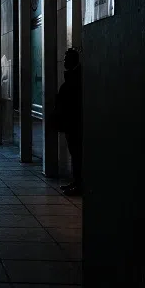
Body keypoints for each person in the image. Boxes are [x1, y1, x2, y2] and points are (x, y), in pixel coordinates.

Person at [52, 48, 83, 196]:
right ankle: (76, 182)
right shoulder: (73, 76)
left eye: (66, 59)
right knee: (75, 154)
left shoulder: (76, 78)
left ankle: (79, 183)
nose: (64, 62)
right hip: (71, 122)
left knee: (78, 154)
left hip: (74, 123)